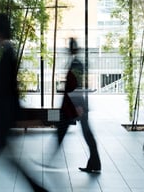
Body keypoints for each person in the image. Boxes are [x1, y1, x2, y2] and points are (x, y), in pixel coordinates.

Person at [0, 13, 47, 192]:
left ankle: (38, 188)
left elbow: (9, 86)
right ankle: (37, 188)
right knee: (10, 157)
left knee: (7, 156)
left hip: (4, 113)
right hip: (6, 112)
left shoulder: (8, 51)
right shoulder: (8, 50)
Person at [54, 38, 101, 173]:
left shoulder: (76, 64)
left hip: (75, 105)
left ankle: (50, 159)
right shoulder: (76, 62)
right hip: (75, 105)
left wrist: (78, 106)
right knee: (82, 133)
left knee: (83, 133)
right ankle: (95, 164)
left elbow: (77, 86)